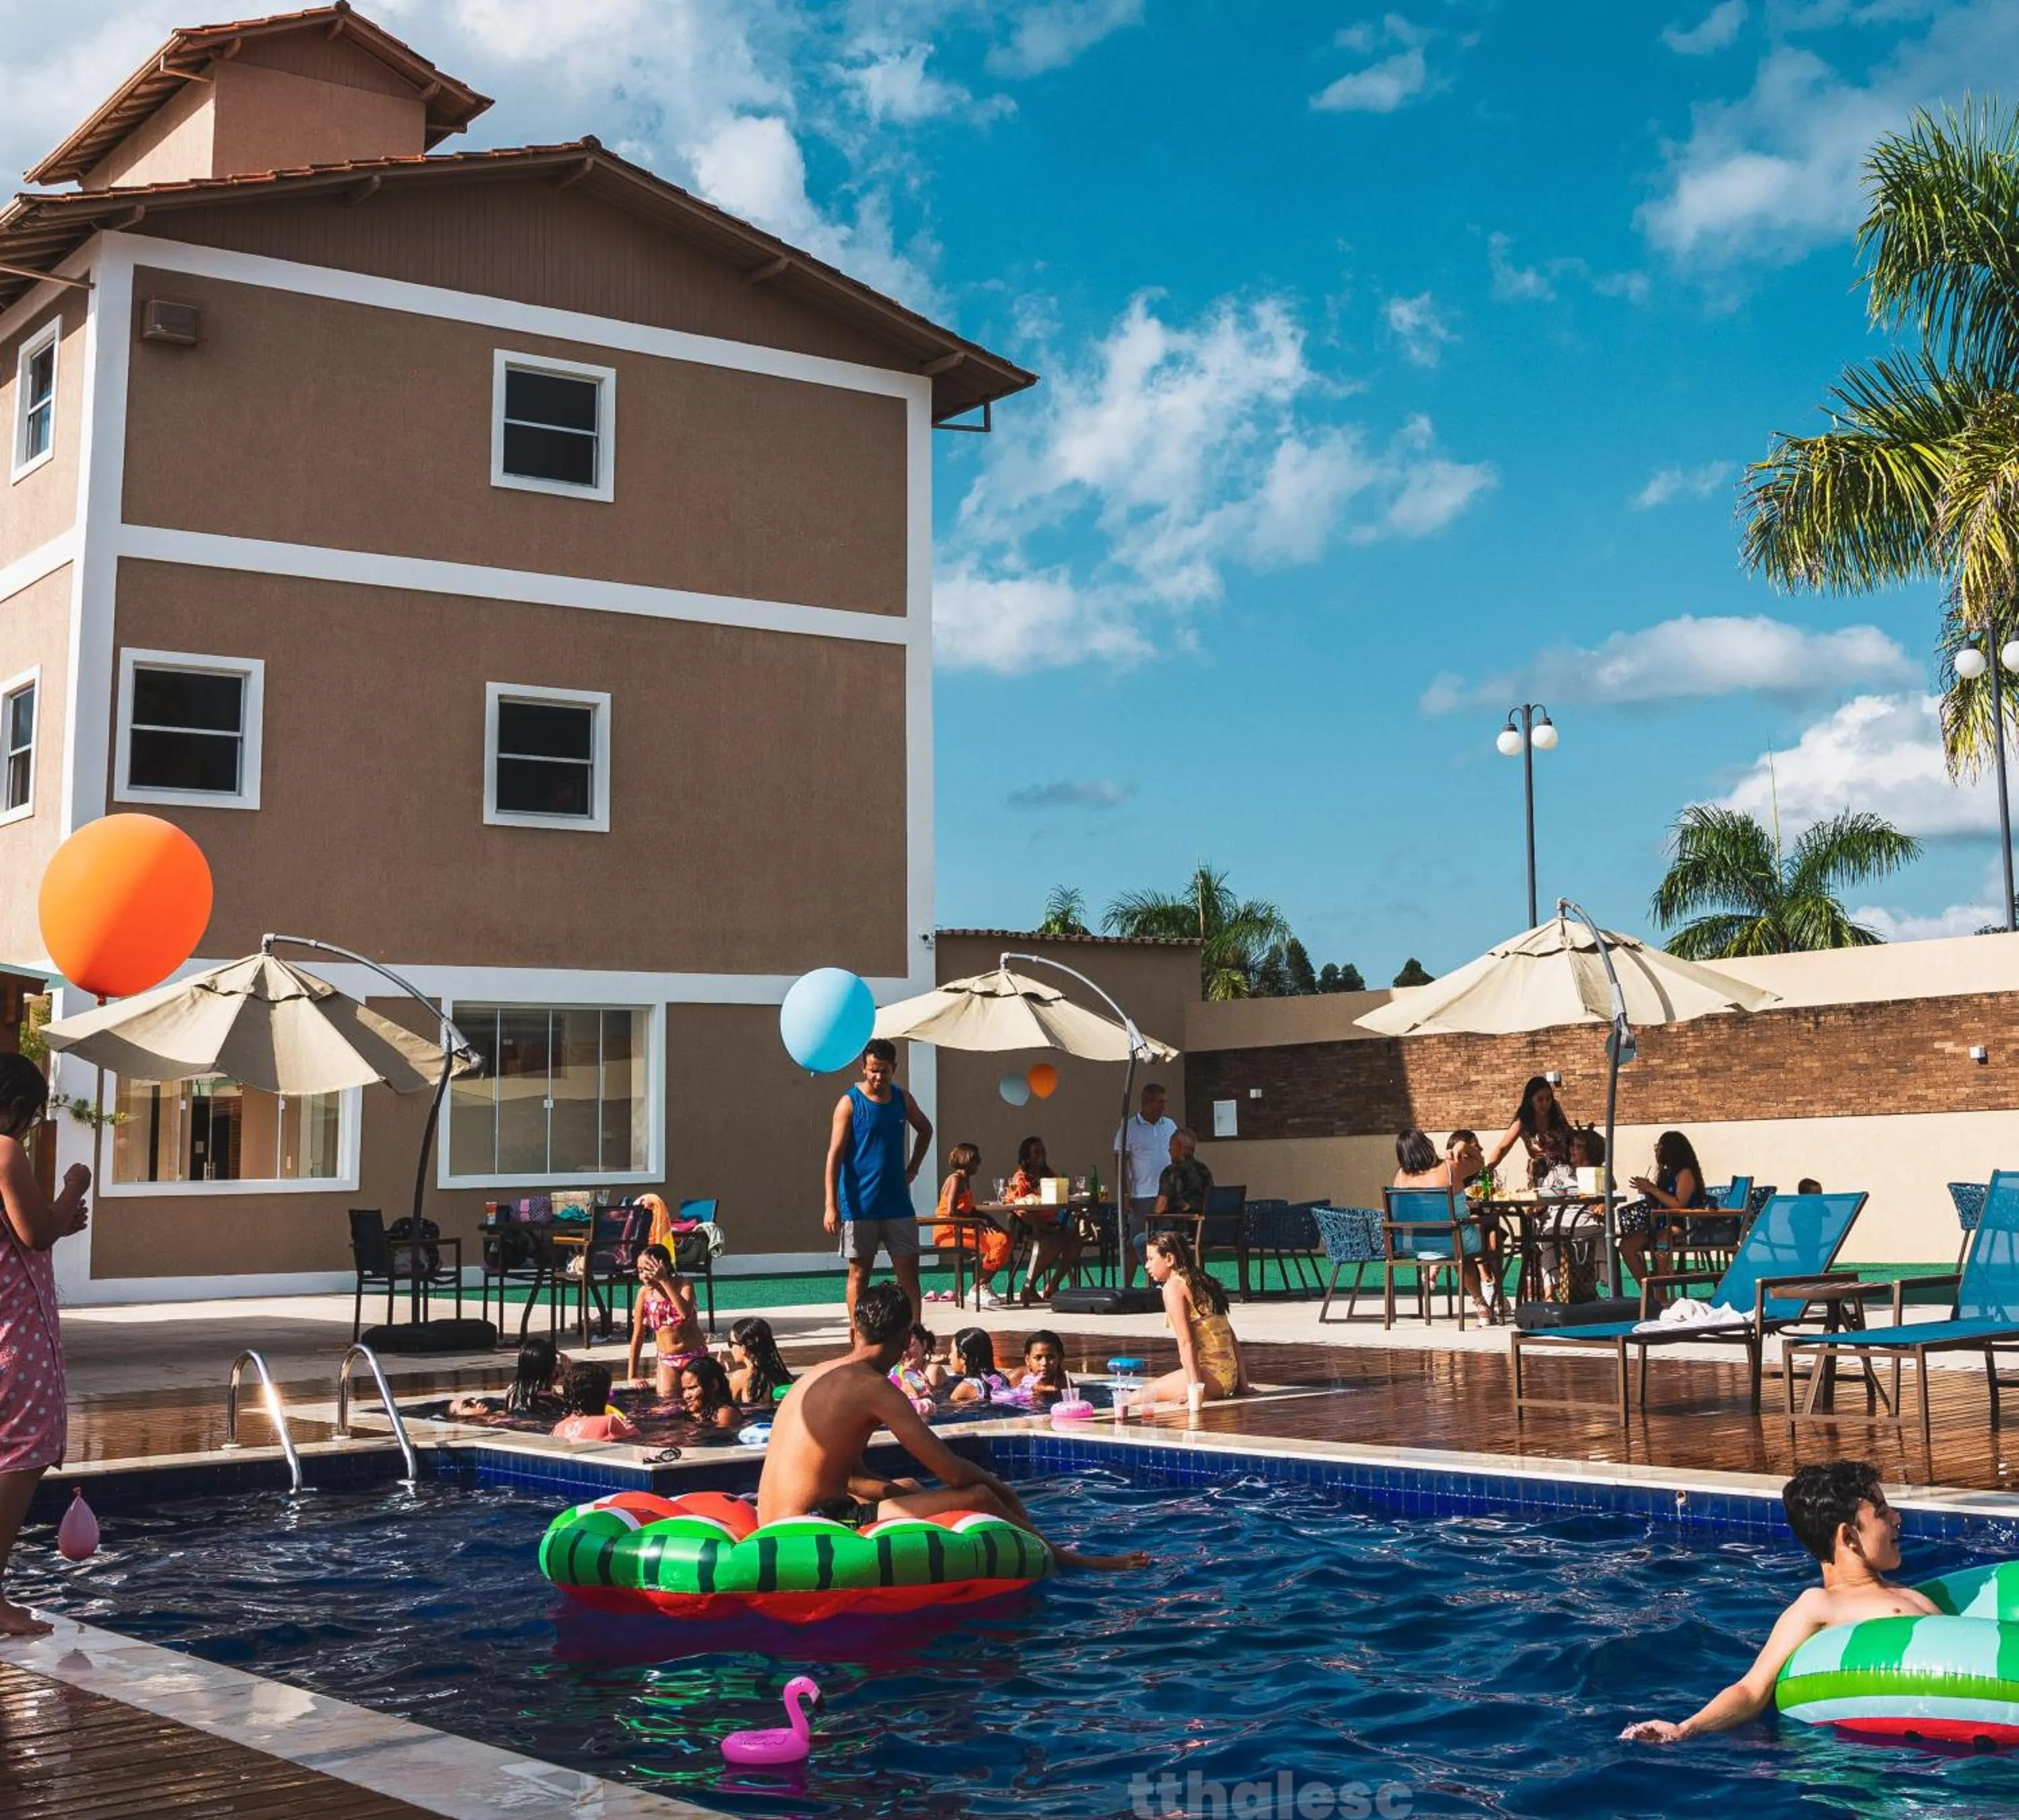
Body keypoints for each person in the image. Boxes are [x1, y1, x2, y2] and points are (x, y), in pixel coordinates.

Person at [756, 1280, 1145, 1570]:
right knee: (978, 1496)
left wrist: (902, 1492)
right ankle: (1073, 1562)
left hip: (770, 1518)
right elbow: (952, 1472)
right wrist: (1002, 1490)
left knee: (907, 1486)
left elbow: (850, 1475)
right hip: (809, 1527)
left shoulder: (815, 1375)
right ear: (908, 1338)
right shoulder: (875, 1389)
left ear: (855, 1331)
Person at [1620, 1460, 1937, 1742]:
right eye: (1882, 1513)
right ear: (1848, 1537)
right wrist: (1684, 1728)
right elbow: (1752, 1689)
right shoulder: (1820, 1604)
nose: (1897, 1518)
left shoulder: (1908, 1593)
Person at [0, 1054, 89, 1637]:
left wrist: (56, 1216)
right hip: (12, 1331)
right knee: (22, 1453)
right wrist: (71, 1189)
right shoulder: (4, 1150)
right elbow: (34, 1232)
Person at [824, 1039, 933, 1325]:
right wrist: (831, 1206)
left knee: (908, 1273)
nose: (878, 1076)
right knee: (859, 1272)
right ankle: (857, 1332)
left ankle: (915, 1334)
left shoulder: (902, 1099)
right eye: (873, 1070)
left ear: (894, 1069)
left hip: (897, 1204)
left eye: (884, 1070)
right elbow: (834, 1156)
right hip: (860, 1206)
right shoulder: (849, 1103)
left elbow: (925, 1130)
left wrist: (913, 1169)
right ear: (864, 1068)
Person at [1131, 1231, 1252, 1411]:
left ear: (1169, 1259)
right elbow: (1229, 1334)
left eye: (1150, 1259)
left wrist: (1195, 1392)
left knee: (1135, 1398)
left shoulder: (1173, 1287)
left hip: (1210, 1379)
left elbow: (1187, 1342)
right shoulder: (1203, 1281)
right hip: (1229, 1378)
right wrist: (1242, 1384)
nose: (1146, 1265)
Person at [1394, 1128, 1495, 1324]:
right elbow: (1480, 1163)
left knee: (1453, 1240)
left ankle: (1435, 1272)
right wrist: (1464, 1147)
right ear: (1426, 1146)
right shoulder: (1450, 1168)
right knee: (1464, 1241)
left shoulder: (1400, 1177)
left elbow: (1399, 1213)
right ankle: (1482, 1303)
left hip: (1419, 1244)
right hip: (1455, 1240)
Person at [1619, 1130, 1709, 1296]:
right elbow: (1660, 1204)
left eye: (1660, 1148)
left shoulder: (1685, 1173)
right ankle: (1648, 1293)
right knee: (1627, 1245)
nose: (1657, 1152)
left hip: (1683, 1225)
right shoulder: (1666, 1173)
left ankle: (1662, 1296)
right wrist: (1648, 1193)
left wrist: (1652, 1189)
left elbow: (1679, 1204)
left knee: (1662, 1239)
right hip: (1659, 1224)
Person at [1005, 1133, 1081, 1306]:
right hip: (1029, 1226)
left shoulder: (1048, 1174)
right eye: (1036, 1152)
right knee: (1053, 1242)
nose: (1041, 1154)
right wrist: (1039, 1226)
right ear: (1027, 1156)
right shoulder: (1020, 1179)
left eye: (1042, 1150)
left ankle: (1052, 1286)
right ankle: (1029, 1287)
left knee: (1075, 1241)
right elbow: (1019, 1207)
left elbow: (1060, 1197)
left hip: (1052, 1223)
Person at [933, 1140, 1011, 1308]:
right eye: (977, 1159)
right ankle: (978, 1287)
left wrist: (988, 1219)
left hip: (964, 1229)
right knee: (1001, 1241)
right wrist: (979, 1222)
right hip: (949, 1232)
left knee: (1004, 1237)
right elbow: (951, 1211)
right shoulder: (956, 1180)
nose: (980, 1163)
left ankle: (983, 1283)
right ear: (969, 1160)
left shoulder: (965, 1181)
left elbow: (969, 1210)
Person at [1117, 1082, 1178, 1286]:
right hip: (1141, 1195)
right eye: (1160, 1102)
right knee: (1137, 1243)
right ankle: (1127, 1285)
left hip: (1166, 1195)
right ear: (1147, 1102)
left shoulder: (1169, 1125)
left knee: (1164, 1243)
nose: (1163, 1107)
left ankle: (1161, 1285)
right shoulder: (1129, 1127)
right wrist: (1124, 1192)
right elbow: (1119, 1161)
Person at [624, 1244, 703, 1389]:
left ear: (664, 1266)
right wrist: (632, 1376)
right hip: (667, 1360)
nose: (643, 1276)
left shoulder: (684, 1285)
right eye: (640, 1271)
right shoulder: (644, 1293)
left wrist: (664, 1281)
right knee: (667, 1404)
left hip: (695, 1355)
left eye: (648, 1270)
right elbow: (638, 1336)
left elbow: (685, 1314)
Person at [449, 1335, 565, 1421]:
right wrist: (569, 1375)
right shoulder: (548, 1398)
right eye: (555, 1364)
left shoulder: (513, 1390)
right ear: (549, 1369)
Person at [1486, 1076, 1573, 1184]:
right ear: (1531, 1100)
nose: (1545, 1103)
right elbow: (1502, 1148)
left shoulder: (1556, 1111)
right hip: (1541, 1176)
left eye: (1548, 1098)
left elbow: (1570, 1134)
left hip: (1566, 1172)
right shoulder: (1523, 1122)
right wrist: (1487, 1170)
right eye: (1540, 1099)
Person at [1151, 1127, 1213, 1245]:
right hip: (1205, 1232)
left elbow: (1160, 1208)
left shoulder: (1171, 1172)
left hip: (1180, 1232)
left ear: (1179, 1149)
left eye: (1171, 1147)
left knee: (1139, 1240)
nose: (1169, 1151)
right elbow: (1211, 1200)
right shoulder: (1204, 1170)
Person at [551, 1361, 639, 1442]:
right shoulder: (610, 1422)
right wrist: (626, 1424)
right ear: (606, 1394)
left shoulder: (558, 1429)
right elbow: (637, 1440)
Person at [724, 1316, 793, 1406]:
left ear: (744, 1349)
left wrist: (719, 1375)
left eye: (731, 1343)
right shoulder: (781, 1376)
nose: (730, 1348)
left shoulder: (740, 1378)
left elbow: (727, 1410)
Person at [945, 1327, 1012, 1404]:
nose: (949, 1356)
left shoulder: (964, 1388)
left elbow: (954, 1411)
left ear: (964, 1358)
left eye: (951, 1351)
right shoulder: (1001, 1378)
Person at [673, 1356, 741, 1431]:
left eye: (692, 1388)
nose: (686, 1396)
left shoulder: (724, 1414)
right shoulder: (690, 1413)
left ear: (713, 1385)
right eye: (684, 1390)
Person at [889, 1321, 946, 1400]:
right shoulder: (895, 1370)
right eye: (900, 1346)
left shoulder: (932, 1372)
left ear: (924, 1344)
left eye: (910, 1345)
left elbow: (932, 1406)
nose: (905, 1352)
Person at [1017, 1329, 1072, 1399]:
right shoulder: (1015, 1378)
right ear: (1028, 1360)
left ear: (1060, 1358)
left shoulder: (1063, 1382)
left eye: (1050, 1357)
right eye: (1038, 1358)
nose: (1044, 1363)